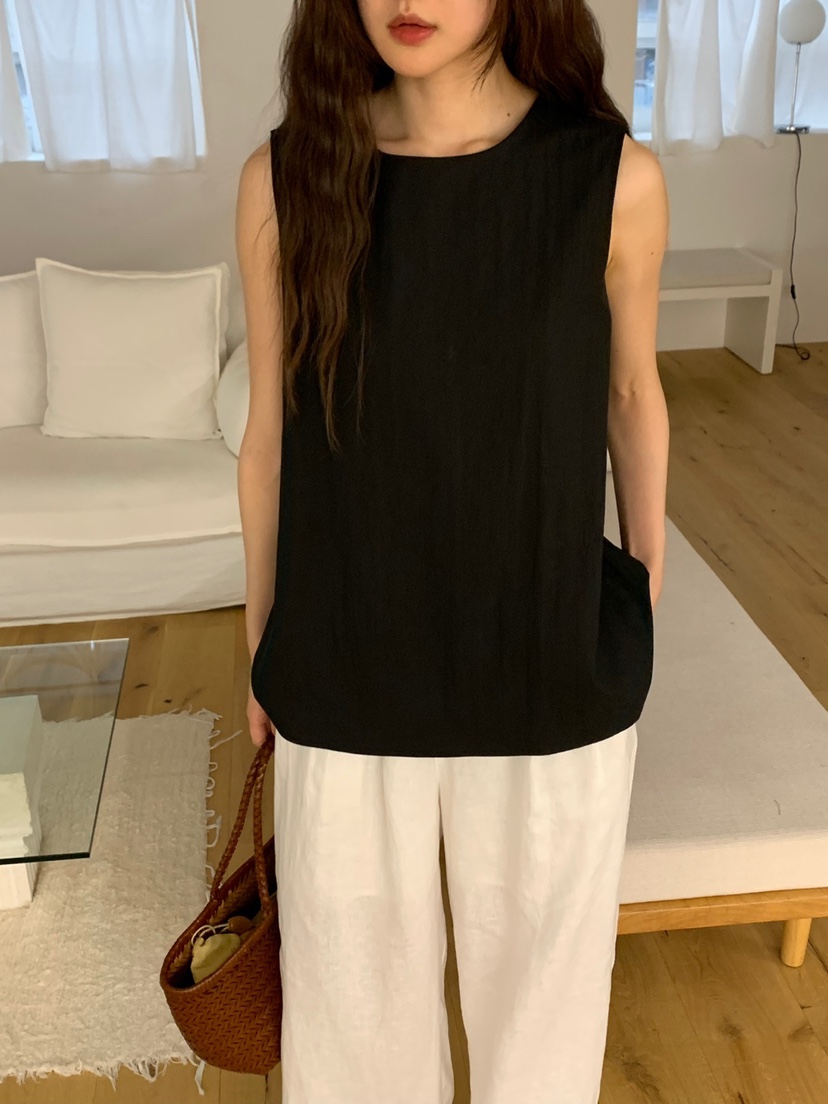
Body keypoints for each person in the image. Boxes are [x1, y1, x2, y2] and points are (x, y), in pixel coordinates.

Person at [235, 0, 669, 1100]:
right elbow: (269, 435)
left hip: (545, 663)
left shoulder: (611, 179)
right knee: (351, 1027)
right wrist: (261, 636)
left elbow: (630, 394)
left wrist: (640, 591)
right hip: (345, 661)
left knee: (544, 1027)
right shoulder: (288, 179)